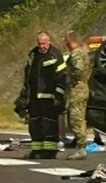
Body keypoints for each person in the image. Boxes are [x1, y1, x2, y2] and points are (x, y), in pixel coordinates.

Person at [16, 31, 66, 159]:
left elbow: (62, 77)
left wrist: (58, 96)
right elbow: (28, 74)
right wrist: (24, 94)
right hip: (34, 97)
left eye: (44, 44)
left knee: (48, 124)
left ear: (49, 42)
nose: (41, 46)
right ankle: (37, 150)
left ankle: (50, 151)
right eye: (39, 44)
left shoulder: (56, 55)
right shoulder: (33, 54)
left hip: (49, 98)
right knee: (34, 124)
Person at [63, 31, 91, 160]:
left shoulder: (76, 54)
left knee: (76, 118)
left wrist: (70, 78)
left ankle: (81, 147)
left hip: (77, 89)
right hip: (83, 87)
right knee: (79, 117)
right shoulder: (83, 53)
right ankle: (78, 142)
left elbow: (78, 69)